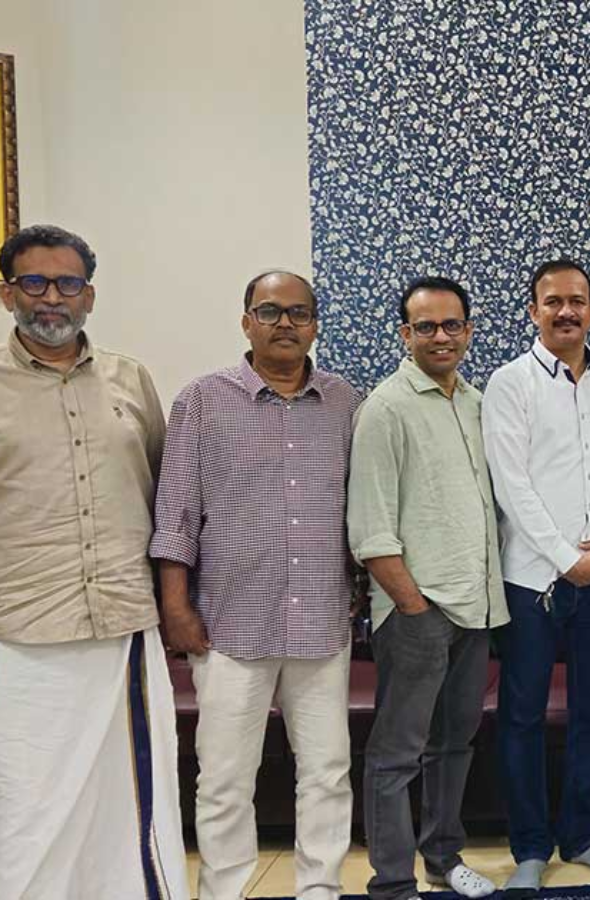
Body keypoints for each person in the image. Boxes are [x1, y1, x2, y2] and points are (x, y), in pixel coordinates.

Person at [150, 270, 361, 900]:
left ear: (315, 324)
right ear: (246, 322)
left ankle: (320, 888)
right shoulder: (202, 400)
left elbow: (363, 507)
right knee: (224, 779)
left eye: (299, 313)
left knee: (327, 771)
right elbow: (176, 511)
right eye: (270, 312)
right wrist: (175, 606)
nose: (285, 324)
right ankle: (224, 891)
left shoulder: (345, 403)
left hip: (322, 622)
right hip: (229, 623)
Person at [0, 223, 190, 900]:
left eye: (68, 283)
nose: (52, 297)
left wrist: (175, 602)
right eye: (35, 282)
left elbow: (167, 495)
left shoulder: (129, 379)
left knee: (127, 805)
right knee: (27, 806)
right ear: (7, 293)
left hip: (121, 629)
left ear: (90, 295)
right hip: (20, 635)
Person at [348, 276, 508, 900]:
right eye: (426, 326)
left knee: (453, 745)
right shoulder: (385, 408)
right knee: (396, 754)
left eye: (451, 325)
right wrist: (413, 606)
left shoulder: (475, 402)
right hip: (417, 611)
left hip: (476, 608)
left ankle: (443, 859)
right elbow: (371, 530)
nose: (440, 336)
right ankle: (392, 883)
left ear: (468, 331)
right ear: (405, 334)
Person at [483, 258, 590, 897]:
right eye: (553, 302)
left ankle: (581, 835)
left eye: (577, 300)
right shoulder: (509, 384)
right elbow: (511, 485)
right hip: (532, 582)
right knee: (521, 717)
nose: (566, 311)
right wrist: (565, 558)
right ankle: (529, 846)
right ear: (534, 311)